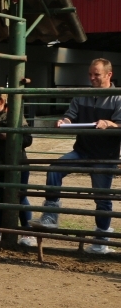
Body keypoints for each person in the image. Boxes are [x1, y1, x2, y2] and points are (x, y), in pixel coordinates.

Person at [37, 58, 121, 254]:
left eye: (96, 75)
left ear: (109, 75)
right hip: (81, 150)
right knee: (55, 169)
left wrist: (110, 124)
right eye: (90, 74)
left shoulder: (118, 98)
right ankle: (51, 215)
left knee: (101, 197)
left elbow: (120, 125)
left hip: (105, 156)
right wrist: (63, 120)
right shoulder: (81, 96)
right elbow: (70, 115)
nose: (91, 78)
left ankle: (101, 238)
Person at [0, 93, 36, 248]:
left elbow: (27, 139)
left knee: (19, 195)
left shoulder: (14, 116)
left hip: (17, 162)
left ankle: (27, 231)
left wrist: (7, 135)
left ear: (2, 101)